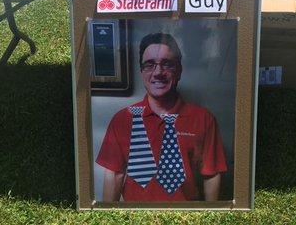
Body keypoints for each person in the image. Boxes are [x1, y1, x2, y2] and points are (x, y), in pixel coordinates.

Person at [96, 32, 227, 201]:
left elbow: (211, 175)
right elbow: (114, 175)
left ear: (179, 71)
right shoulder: (122, 120)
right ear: (141, 72)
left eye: (167, 64)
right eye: (149, 65)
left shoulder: (204, 119)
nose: (158, 72)